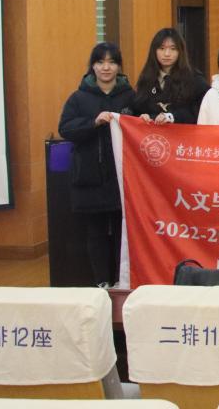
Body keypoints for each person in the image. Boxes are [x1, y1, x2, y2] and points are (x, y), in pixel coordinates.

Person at [58, 42, 135, 287]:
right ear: (92, 66)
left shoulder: (130, 96)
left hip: (123, 177)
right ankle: (102, 282)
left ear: (119, 66)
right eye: (100, 62)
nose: (106, 67)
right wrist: (93, 122)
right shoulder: (78, 97)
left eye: (112, 62)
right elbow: (65, 128)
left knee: (124, 233)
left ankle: (122, 281)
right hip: (90, 178)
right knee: (96, 233)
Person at [132, 28, 208, 124]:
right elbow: (137, 108)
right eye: (162, 48)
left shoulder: (194, 79)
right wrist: (144, 116)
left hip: (183, 132)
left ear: (180, 51)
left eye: (173, 49)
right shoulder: (146, 78)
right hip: (154, 132)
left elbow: (201, 110)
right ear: (154, 51)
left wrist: (172, 116)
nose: (167, 54)